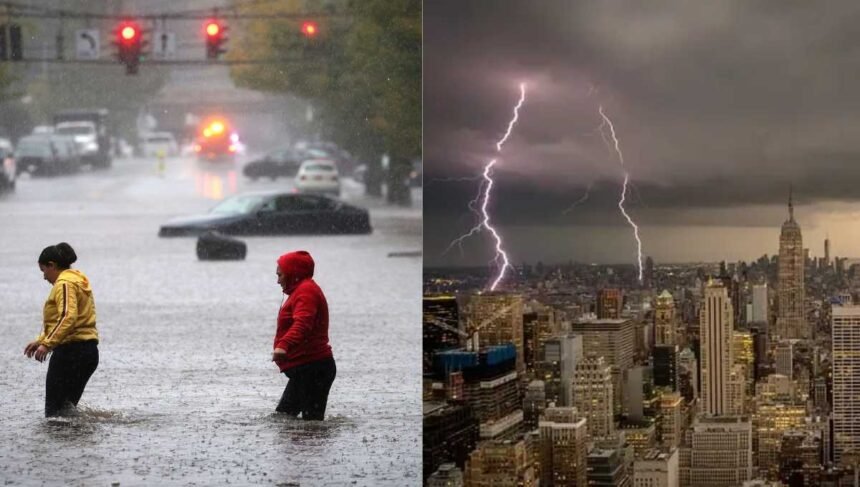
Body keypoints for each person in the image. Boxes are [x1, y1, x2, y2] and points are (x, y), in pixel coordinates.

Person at [23, 242, 99, 417]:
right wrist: (41, 340)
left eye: (44, 271)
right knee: (66, 412)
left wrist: (47, 344)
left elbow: (67, 317)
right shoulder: (79, 280)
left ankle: (62, 444)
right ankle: (77, 442)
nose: (44, 277)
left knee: (54, 415)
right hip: (88, 352)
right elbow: (69, 318)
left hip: (70, 353)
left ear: (52, 265)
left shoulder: (64, 284)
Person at [272, 250, 336, 420]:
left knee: (307, 424)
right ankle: (304, 447)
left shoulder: (306, 291)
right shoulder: (301, 290)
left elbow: (303, 324)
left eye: (280, 275)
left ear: (293, 273)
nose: (277, 280)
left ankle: (314, 446)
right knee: (285, 419)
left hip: (314, 368)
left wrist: (283, 345)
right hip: (308, 368)